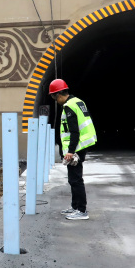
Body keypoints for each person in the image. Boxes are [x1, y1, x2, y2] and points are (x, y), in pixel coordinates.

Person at [49, 79, 97, 220]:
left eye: (53, 96)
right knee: (73, 178)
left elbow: (74, 132)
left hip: (77, 147)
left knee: (76, 179)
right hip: (80, 145)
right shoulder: (78, 102)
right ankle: (75, 206)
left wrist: (70, 151)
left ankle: (81, 210)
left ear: (58, 94)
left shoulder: (69, 106)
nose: (54, 100)